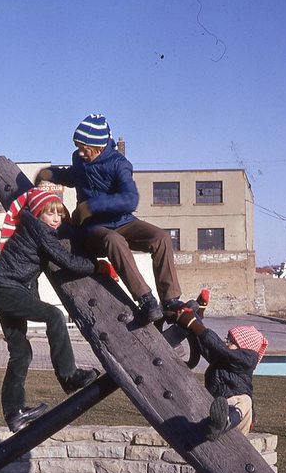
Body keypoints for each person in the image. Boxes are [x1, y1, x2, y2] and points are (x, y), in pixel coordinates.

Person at [0, 187, 115, 433]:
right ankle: (69, 376)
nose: (56, 219)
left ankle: (14, 413)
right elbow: (66, 260)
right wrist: (98, 266)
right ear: (38, 214)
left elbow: (31, 275)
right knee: (54, 315)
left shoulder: (32, 227)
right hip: (4, 290)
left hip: (0, 290)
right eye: (50, 213)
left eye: (59, 213)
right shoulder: (38, 229)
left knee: (21, 353)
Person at [35, 114, 186, 324]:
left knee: (161, 238)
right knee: (114, 240)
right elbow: (74, 176)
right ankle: (145, 299)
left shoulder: (119, 164)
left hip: (122, 221)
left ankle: (170, 301)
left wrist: (92, 206)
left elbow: (130, 199)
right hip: (92, 229)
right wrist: (50, 174)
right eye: (78, 147)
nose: (80, 152)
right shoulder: (79, 159)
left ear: (98, 147)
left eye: (84, 148)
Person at [176, 308, 268, 473]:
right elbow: (210, 347)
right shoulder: (223, 359)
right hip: (215, 424)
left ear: (243, 346)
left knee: (243, 401)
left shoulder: (246, 359)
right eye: (227, 339)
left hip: (239, 419)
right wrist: (194, 318)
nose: (227, 343)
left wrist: (195, 325)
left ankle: (225, 418)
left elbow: (217, 348)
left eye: (231, 341)